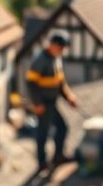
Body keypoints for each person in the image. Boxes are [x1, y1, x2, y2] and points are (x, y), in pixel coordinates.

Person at [26, 31, 79, 173]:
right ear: (53, 45)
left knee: (62, 128)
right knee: (43, 132)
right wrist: (37, 103)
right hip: (43, 103)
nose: (62, 51)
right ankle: (42, 163)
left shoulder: (56, 59)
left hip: (52, 101)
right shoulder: (40, 60)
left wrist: (69, 97)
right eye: (61, 48)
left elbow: (60, 82)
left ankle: (58, 156)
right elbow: (31, 83)